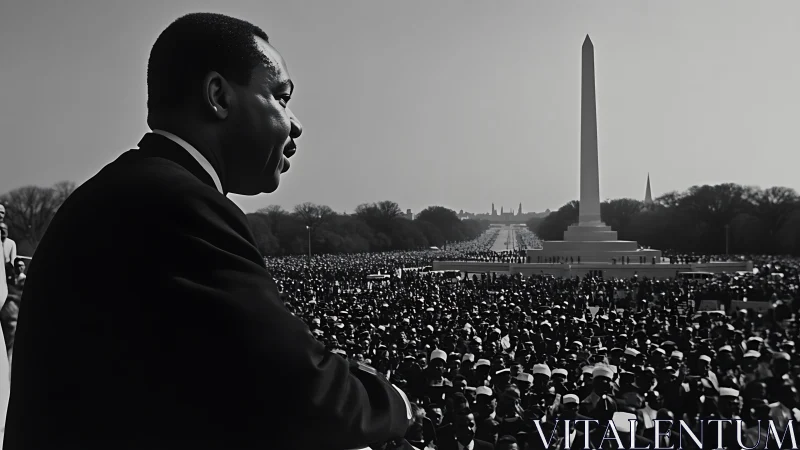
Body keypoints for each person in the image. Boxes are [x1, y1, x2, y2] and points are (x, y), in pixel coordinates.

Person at [4, 12, 411, 450]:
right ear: (218, 95)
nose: (295, 124)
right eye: (281, 97)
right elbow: (305, 394)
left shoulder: (134, 187)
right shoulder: (176, 203)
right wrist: (398, 403)